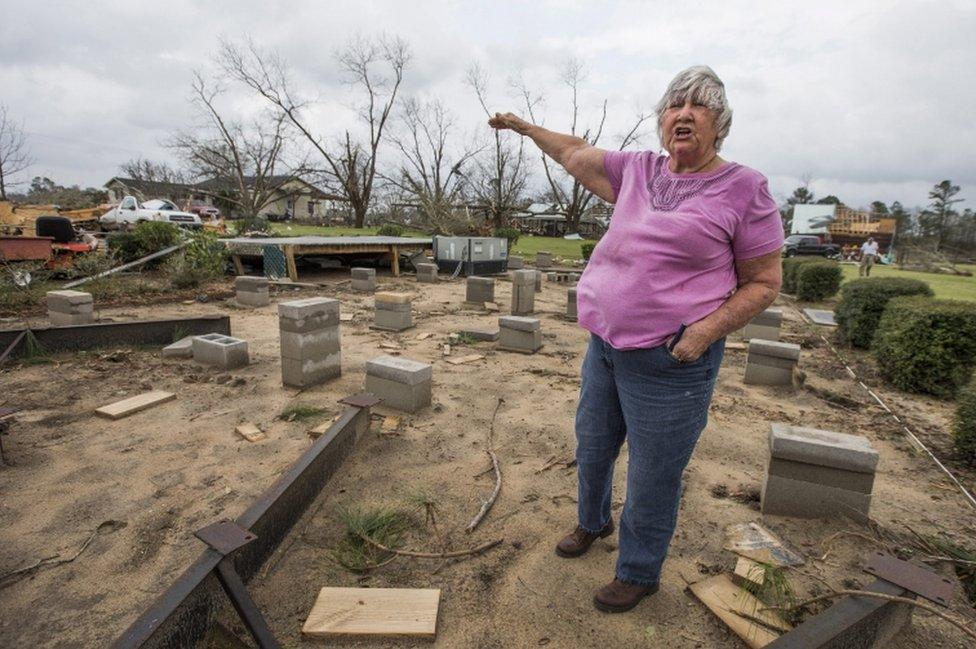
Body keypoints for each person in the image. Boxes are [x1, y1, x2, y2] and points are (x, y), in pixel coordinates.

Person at [489, 65, 784, 613]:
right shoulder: (639, 171)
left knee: (653, 471)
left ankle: (639, 571)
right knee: (594, 445)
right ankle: (592, 523)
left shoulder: (746, 188)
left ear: (720, 123)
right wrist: (527, 128)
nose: (684, 113)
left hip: (672, 359)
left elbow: (765, 282)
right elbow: (575, 152)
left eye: (699, 106)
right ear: (661, 119)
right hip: (605, 346)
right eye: (675, 105)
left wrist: (704, 332)